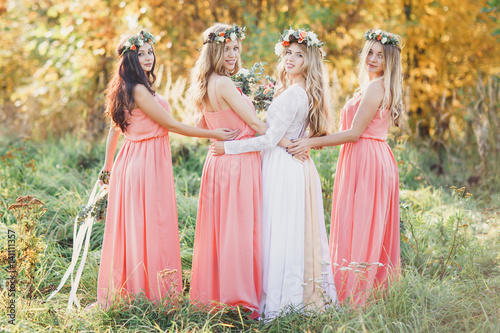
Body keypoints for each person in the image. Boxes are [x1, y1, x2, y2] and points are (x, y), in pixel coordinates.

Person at [97, 30, 239, 308]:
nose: (148, 57)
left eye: (150, 52)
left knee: (140, 225)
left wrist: (107, 166)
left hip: (132, 160)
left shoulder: (128, 87)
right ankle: (150, 293)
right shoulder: (138, 90)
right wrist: (214, 133)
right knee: (151, 223)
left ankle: (143, 288)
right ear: (130, 57)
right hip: (144, 163)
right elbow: (171, 125)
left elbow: (114, 132)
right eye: (141, 53)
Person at [213, 28, 338, 319]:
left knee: (280, 231)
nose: (291, 59)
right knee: (283, 230)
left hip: (282, 166)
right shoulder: (294, 89)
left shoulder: (295, 93)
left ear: (310, 62)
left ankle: (282, 303)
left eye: (299, 55)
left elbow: (268, 139)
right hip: (286, 162)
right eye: (289, 53)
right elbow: (275, 131)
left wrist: (228, 148)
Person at [288, 28, 403, 306]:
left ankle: (356, 296)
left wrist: (309, 143)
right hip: (362, 156)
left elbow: (353, 133)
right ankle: (354, 289)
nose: (373, 59)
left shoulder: (377, 87)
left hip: (367, 158)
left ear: (390, 61)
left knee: (362, 223)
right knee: (359, 221)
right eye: (370, 53)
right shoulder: (370, 86)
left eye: (380, 55)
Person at [188, 23, 292, 316]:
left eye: (236, 48)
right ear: (214, 50)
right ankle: (239, 302)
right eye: (227, 48)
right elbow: (258, 126)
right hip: (237, 164)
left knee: (221, 231)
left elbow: (201, 126)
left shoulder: (207, 83)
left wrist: (217, 132)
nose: (233, 54)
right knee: (238, 231)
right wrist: (291, 143)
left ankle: (216, 296)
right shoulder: (223, 83)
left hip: (219, 163)